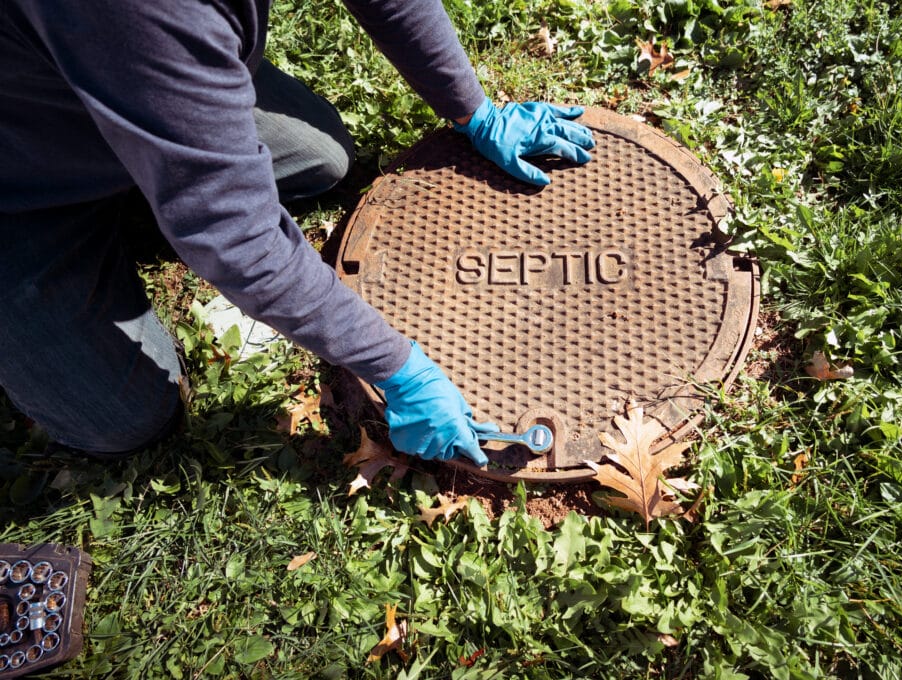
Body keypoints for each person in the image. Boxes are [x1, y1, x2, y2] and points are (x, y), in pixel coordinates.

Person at [0, 1, 594, 466]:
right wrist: (396, 366)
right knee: (121, 416)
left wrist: (474, 110)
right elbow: (238, 236)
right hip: (23, 182)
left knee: (323, 158)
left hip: (120, 67)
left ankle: (169, 150)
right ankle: (157, 172)